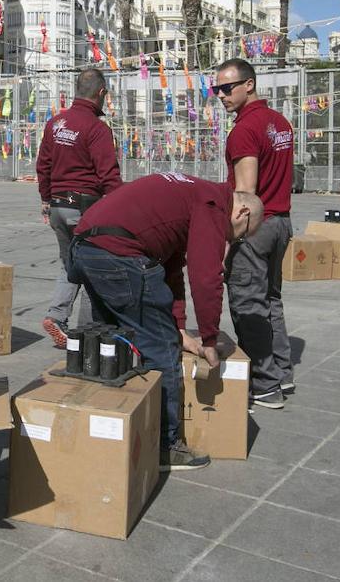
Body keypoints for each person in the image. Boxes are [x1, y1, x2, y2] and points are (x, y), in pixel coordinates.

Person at [69, 173, 263, 471]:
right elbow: (206, 277)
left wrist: (181, 327)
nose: (232, 240)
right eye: (240, 235)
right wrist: (209, 340)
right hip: (119, 253)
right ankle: (164, 445)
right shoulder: (213, 205)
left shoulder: (193, 193)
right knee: (161, 348)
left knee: (115, 344)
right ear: (243, 212)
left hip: (86, 248)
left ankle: (109, 431)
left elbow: (171, 267)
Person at [215, 58, 296, 410]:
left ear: (249, 84)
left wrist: (227, 241)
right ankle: (280, 371)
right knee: (271, 300)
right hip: (281, 223)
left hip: (255, 226)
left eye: (227, 88)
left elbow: (246, 194)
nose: (221, 95)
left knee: (248, 304)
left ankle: (264, 384)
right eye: (217, 89)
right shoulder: (279, 123)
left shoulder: (245, 129)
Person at [35, 67, 123, 348]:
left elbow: (43, 166)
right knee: (94, 267)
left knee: (68, 263)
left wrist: (46, 200)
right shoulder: (97, 129)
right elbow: (108, 175)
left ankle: (57, 317)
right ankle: (88, 333)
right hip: (86, 208)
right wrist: (123, 210)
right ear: (101, 93)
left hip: (59, 207)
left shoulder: (56, 123)